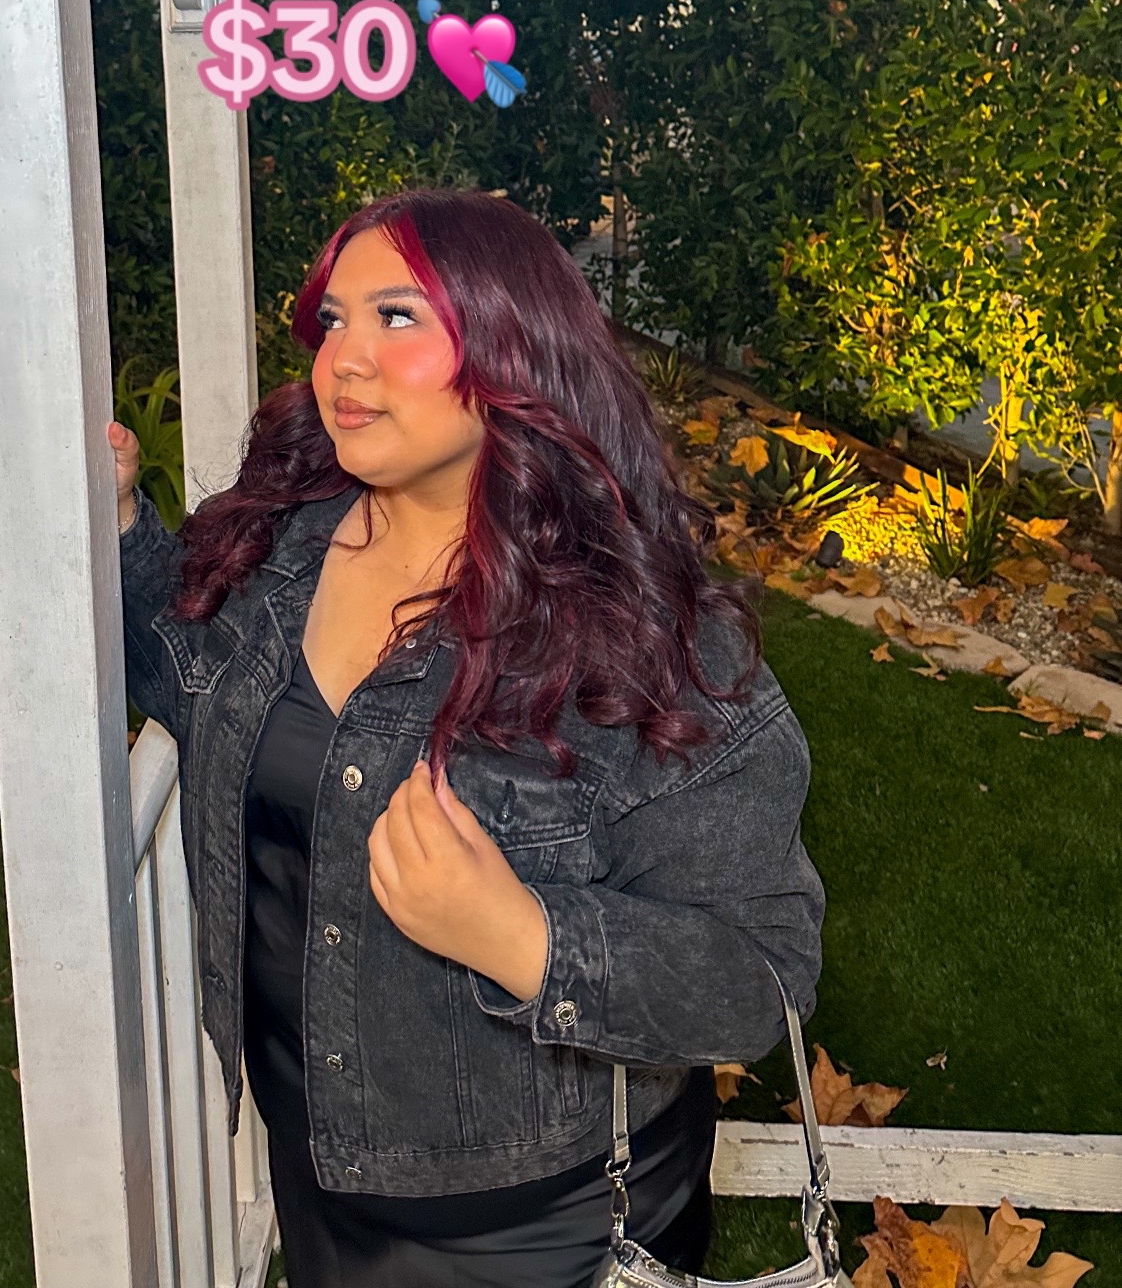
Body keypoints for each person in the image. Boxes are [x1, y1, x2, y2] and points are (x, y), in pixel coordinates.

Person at [109, 188, 823, 1288]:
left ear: (511, 348)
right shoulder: (283, 545)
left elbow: (760, 977)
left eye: (397, 317)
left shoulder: (638, 637)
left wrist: (523, 937)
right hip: (319, 1172)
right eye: (333, 321)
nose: (344, 359)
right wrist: (120, 524)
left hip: (550, 1227)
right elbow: (188, 677)